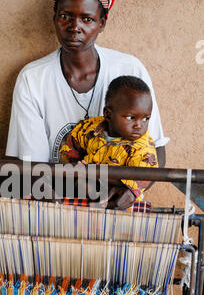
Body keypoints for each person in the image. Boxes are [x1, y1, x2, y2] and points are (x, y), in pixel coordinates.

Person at [6, 0, 169, 209]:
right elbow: (35, 167)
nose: (74, 27)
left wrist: (132, 191)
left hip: (115, 204)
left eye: (87, 19)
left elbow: (156, 154)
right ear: (54, 19)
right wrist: (62, 205)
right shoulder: (33, 78)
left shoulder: (130, 69)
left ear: (102, 23)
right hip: (54, 203)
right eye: (65, 16)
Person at [59, 75, 158, 204]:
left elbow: (141, 179)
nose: (139, 125)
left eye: (145, 118)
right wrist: (77, 164)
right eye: (130, 117)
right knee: (80, 184)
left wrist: (98, 173)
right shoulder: (90, 128)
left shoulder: (143, 148)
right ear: (108, 114)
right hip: (86, 185)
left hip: (120, 197)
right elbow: (71, 143)